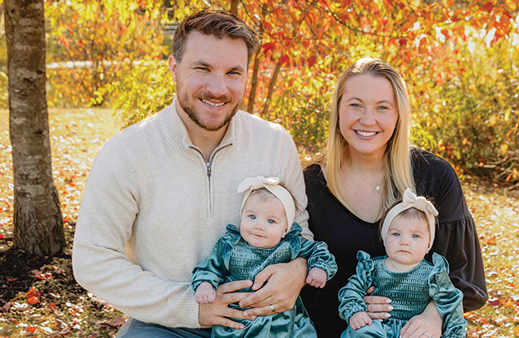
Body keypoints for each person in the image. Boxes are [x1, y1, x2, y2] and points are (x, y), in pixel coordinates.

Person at [72, 10, 313, 338]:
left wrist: (298, 270)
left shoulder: (274, 142)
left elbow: (300, 229)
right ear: (174, 67)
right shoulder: (128, 153)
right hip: (167, 323)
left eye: (233, 73)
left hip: (262, 322)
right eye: (203, 69)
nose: (219, 88)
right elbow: (93, 258)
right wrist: (191, 306)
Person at [300, 58, 488, 338]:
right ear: (338, 109)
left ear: (399, 114)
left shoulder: (434, 176)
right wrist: (352, 304)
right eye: (355, 104)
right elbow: (297, 278)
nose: (367, 119)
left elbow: (466, 278)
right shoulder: (309, 184)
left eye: (382, 108)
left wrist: (433, 315)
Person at [192, 176, 337, 337]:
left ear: (285, 229)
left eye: (271, 221)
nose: (259, 226)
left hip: (282, 322)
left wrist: (319, 268)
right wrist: (205, 285)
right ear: (242, 217)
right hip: (240, 323)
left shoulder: (291, 244)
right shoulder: (230, 244)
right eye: (252, 217)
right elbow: (210, 267)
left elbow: (318, 250)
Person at [338, 188, 467, 338]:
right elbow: (351, 290)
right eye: (396, 234)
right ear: (385, 239)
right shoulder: (371, 268)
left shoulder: (433, 274)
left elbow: (451, 303)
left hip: (414, 329)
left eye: (415, 236)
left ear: (428, 245)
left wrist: (454, 334)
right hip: (377, 326)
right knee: (360, 332)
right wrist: (356, 312)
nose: (404, 242)